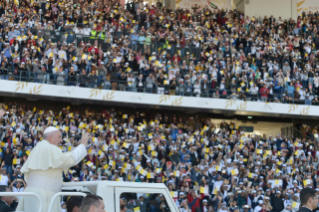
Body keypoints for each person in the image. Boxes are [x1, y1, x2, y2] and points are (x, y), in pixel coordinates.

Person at [16, 127, 91, 212]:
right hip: (44, 196)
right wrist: (82, 145)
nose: (61, 140)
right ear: (51, 137)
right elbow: (70, 160)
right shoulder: (48, 147)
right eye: (59, 137)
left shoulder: (39, 147)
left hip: (36, 194)